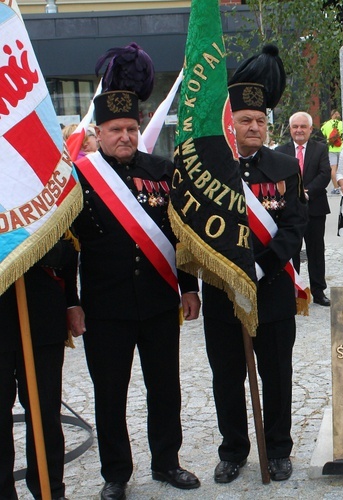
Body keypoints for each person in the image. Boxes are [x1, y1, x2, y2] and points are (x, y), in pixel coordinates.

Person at [69, 43, 201, 500]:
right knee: (110, 395)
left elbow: (181, 236)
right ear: (99, 132)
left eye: (131, 128)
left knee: (165, 387)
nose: (125, 136)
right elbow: (66, 247)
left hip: (160, 301)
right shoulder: (81, 179)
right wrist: (72, 300)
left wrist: (189, 288)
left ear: (139, 127)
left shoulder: (164, 171)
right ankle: (115, 475)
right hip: (105, 307)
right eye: (115, 130)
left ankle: (167, 462)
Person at [202, 44, 307, 484]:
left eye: (261, 121)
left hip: (272, 290)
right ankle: (233, 450)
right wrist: (229, 273)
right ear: (231, 124)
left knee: (276, 373)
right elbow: (197, 230)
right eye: (246, 120)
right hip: (223, 292)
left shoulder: (284, 166)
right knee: (227, 376)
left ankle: (279, 449)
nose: (254, 127)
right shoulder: (210, 170)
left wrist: (259, 268)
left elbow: (293, 227)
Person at [0, 237, 77, 500]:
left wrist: (71, 302)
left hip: (41, 314)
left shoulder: (40, 193)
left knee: (45, 411)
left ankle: (50, 490)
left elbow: (66, 252)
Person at [277, 111, 332, 306]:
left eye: (303, 127)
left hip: (315, 208)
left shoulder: (320, 149)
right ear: (290, 129)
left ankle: (319, 292)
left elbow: (325, 174)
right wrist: (294, 195)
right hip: (289, 211)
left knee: (316, 251)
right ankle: (293, 290)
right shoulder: (280, 150)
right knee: (291, 250)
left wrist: (306, 193)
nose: (299, 130)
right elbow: (277, 176)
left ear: (310, 129)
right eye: (295, 127)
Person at [320, 110, 343, 194]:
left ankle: (336, 188)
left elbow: (323, 133)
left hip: (331, 149)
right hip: (342, 148)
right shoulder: (342, 124)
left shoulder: (326, 125)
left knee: (333, 169)